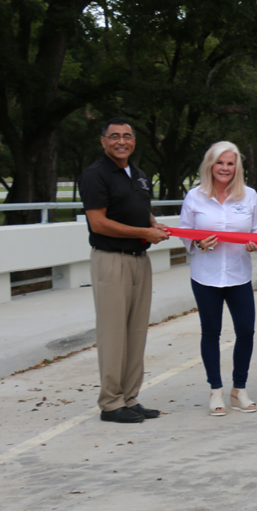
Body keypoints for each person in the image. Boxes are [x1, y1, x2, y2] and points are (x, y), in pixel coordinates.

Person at [79, 117, 170, 423]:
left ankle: (130, 397)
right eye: (114, 136)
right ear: (103, 141)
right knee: (113, 332)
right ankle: (110, 402)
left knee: (135, 332)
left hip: (139, 260)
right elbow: (99, 223)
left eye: (127, 136)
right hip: (111, 259)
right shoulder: (96, 175)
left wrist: (153, 225)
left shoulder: (139, 175)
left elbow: (140, 210)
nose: (122, 141)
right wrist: (143, 232)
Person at [179, 141, 257, 416]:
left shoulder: (249, 196)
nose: (225, 168)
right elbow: (184, 233)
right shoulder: (195, 196)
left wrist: (256, 244)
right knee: (211, 333)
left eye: (230, 163)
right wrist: (198, 245)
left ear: (236, 167)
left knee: (246, 331)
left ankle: (239, 388)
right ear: (210, 165)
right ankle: (215, 389)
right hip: (205, 276)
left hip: (239, 275)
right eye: (220, 163)